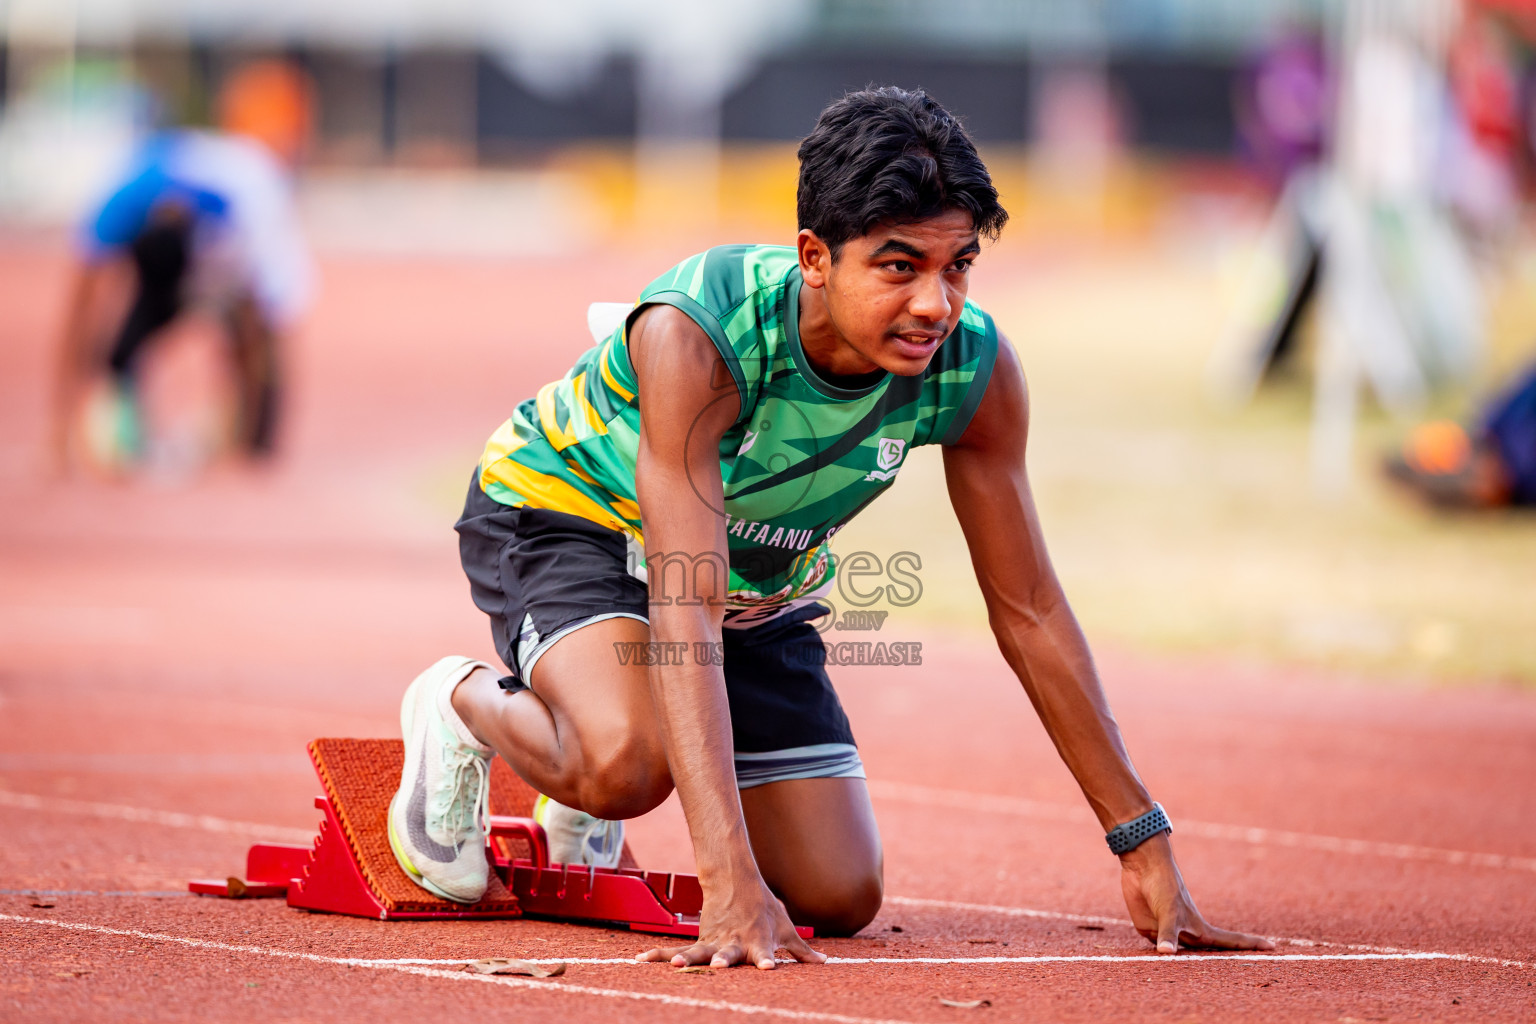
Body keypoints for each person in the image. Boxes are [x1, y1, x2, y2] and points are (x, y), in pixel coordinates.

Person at [388, 87, 1272, 969]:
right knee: (628, 767)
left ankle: (594, 752)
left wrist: (1142, 842)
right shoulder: (699, 334)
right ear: (815, 257)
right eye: (899, 267)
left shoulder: (973, 370)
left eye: (958, 265)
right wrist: (726, 876)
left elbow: (1030, 613)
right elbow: (683, 600)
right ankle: (463, 704)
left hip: (751, 582)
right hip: (567, 516)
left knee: (836, 894)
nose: (937, 304)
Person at [51, 60, 313, 473]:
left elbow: (273, 317)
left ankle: (244, 438)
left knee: (254, 350)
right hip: (171, 259)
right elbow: (79, 314)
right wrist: (60, 427)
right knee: (121, 351)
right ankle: (122, 423)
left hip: (227, 259)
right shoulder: (124, 197)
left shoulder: (252, 192)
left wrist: (251, 423)